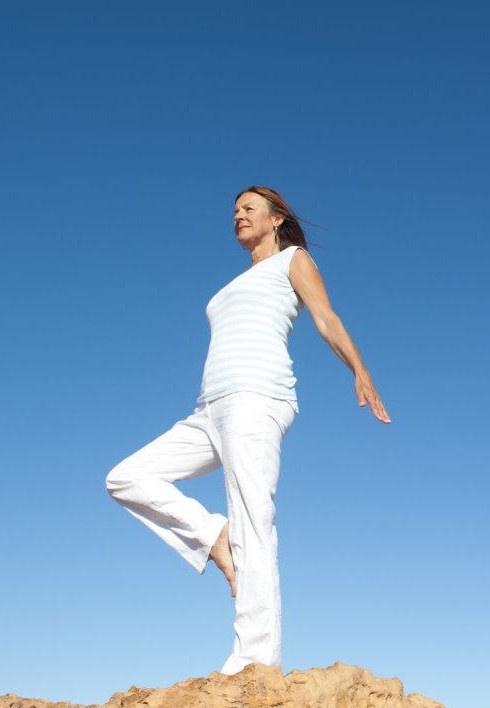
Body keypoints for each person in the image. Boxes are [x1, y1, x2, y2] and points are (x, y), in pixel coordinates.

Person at [105, 185, 390, 675]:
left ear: (276, 218)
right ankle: (214, 534)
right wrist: (212, 530)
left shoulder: (293, 261)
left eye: (249, 208)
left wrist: (359, 371)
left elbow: (325, 318)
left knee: (254, 521)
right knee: (126, 478)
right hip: (208, 409)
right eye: (234, 210)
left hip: (258, 398)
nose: (238, 215)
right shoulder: (236, 281)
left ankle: (255, 659)